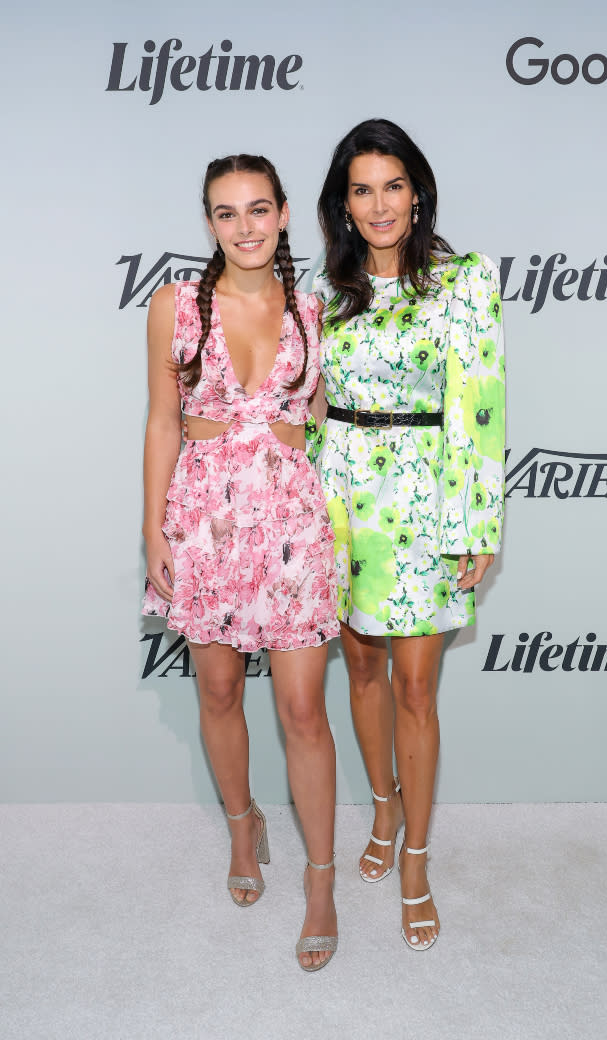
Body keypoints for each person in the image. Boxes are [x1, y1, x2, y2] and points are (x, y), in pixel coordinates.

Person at [311, 119, 505, 951]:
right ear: (342, 206)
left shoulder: (463, 281)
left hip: (425, 499)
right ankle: (383, 813)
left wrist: (479, 520)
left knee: (416, 691)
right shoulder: (327, 294)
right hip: (341, 500)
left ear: (417, 192)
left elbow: (479, 406)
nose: (379, 203)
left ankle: (417, 861)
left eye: (393, 185)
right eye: (362, 189)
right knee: (359, 671)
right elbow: (308, 413)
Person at [142, 154, 339, 972]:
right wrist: (152, 531)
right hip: (204, 519)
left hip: (291, 519)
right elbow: (161, 421)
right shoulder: (174, 306)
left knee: (301, 711)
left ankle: (321, 881)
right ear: (209, 223)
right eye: (226, 213)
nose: (245, 226)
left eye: (259, 209)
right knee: (219, 690)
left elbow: (323, 421)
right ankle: (242, 825)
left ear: (285, 214)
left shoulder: (311, 309)